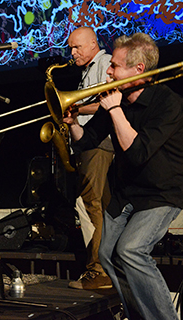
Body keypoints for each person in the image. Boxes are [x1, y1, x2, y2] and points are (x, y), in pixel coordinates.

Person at [64, 33, 183, 319]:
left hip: (162, 191)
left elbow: (138, 153)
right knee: (107, 254)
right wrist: (72, 123)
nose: (108, 70)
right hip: (127, 192)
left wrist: (116, 110)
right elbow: (88, 139)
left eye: (115, 66)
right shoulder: (115, 99)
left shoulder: (168, 103)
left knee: (131, 250)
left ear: (138, 69)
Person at [67, 27, 114, 290]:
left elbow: (107, 100)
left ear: (93, 44)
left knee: (90, 205)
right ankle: (105, 266)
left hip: (99, 143)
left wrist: (75, 107)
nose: (72, 53)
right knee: (96, 206)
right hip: (91, 143)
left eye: (77, 47)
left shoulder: (104, 63)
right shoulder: (88, 69)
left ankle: (98, 270)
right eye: (71, 48)